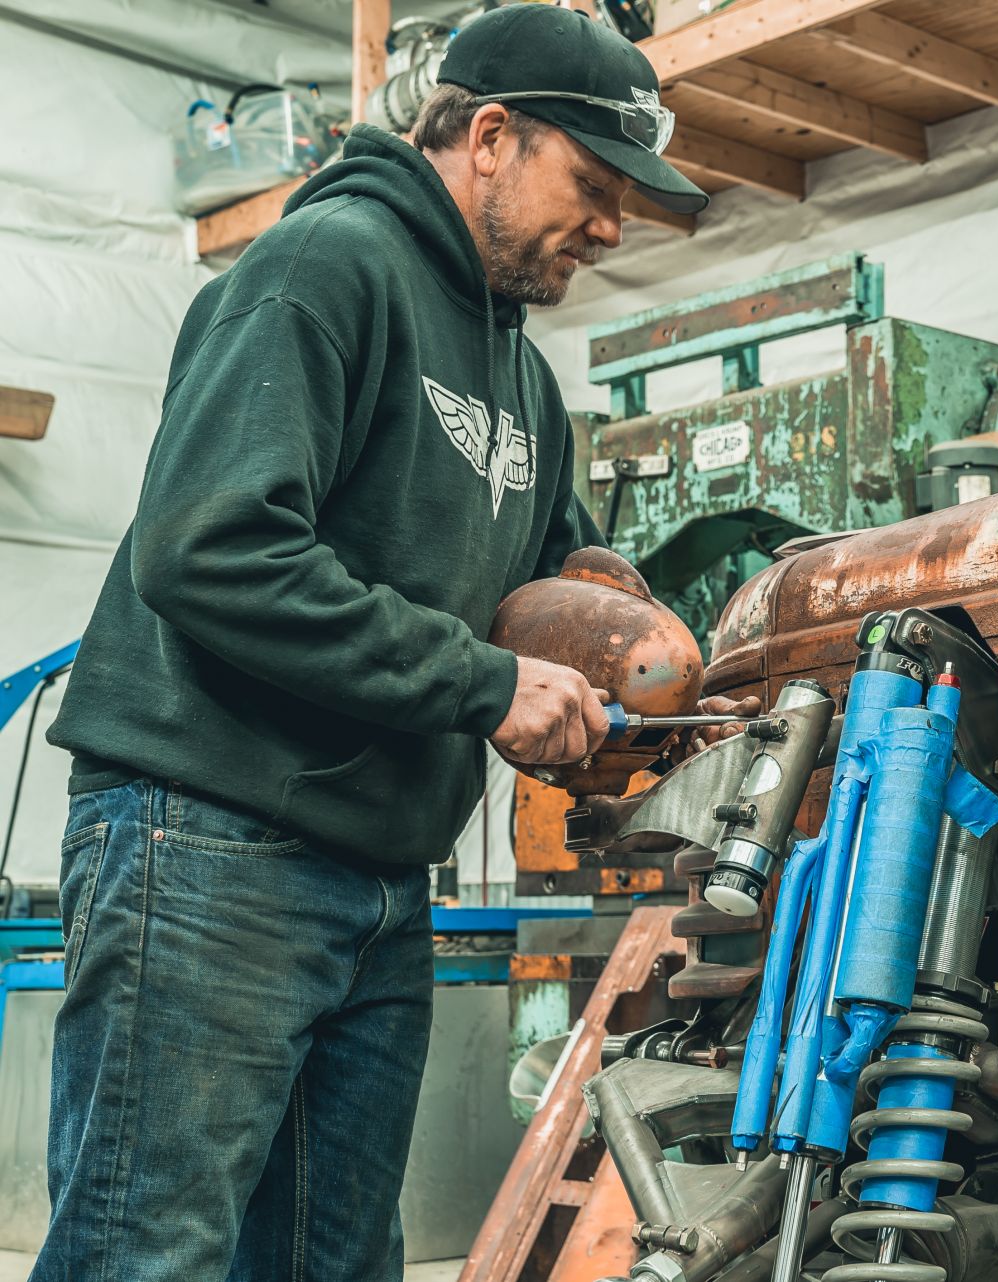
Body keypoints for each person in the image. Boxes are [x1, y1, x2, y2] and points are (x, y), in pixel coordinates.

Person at [34, 7, 749, 1278]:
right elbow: (211, 545)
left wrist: (626, 631)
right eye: (593, 184)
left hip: (376, 871)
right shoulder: (325, 266)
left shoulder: (523, 381)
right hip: (209, 837)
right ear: (489, 137)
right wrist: (481, 682)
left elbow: (549, 592)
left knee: (332, 1258)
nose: (611, 226)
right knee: (146, 1253)